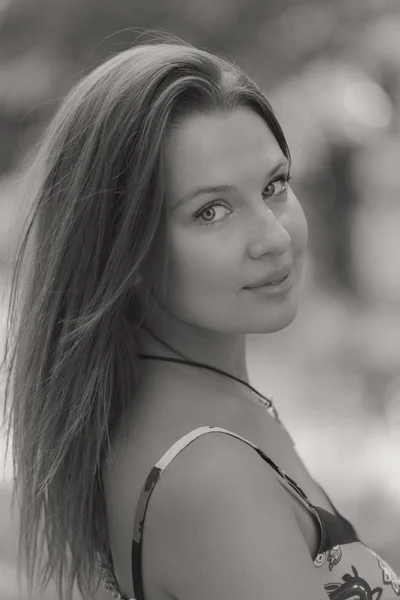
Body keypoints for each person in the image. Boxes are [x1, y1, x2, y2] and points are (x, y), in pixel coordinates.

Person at [1, 34, 399, 600]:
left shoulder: (189, 408)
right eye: (211, 211)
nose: (272, 236)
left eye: (275, 186)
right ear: (125, 251)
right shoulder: (210, 475)